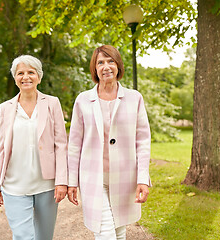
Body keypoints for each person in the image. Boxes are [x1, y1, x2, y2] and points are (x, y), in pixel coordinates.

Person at [67, 45, 151, 240]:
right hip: (93, 178)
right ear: (95, 69)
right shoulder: (83, 100)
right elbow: (74, 145)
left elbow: (143, 142)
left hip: (124, 177)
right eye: (100, 62)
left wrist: (142, 179)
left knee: (119, 232)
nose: (106, 66)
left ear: (118, 65)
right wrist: (71, 181)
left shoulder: (134, 98)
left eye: (111, 61)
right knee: (106, 233)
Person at [0, 55, 68, 240]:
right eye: (20, 73)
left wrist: (62, 181)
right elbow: (2, 148)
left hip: (46, 185)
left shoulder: (52, 103)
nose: (25, 77)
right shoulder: (5, 108)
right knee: (23, 236)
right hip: (14, 186)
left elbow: (61, 145)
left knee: (44, 237)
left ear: (39, 77)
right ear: (15, 78)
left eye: (31, 72)